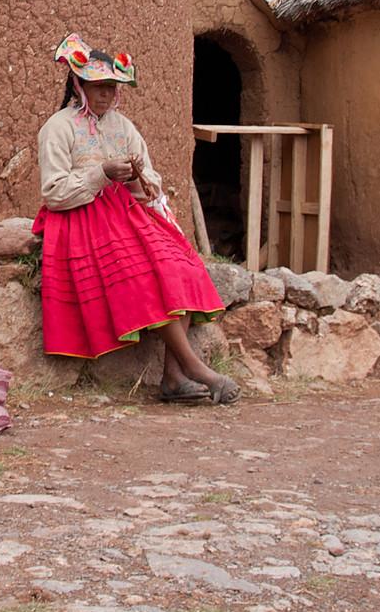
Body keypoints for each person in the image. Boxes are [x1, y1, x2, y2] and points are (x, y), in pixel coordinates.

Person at [35, 32, 236, 405]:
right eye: (97, 87)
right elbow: (54, 193)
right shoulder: (58, 128)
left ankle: (174, 376)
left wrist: (140, 180)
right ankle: (195, 368)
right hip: (82, 219)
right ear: (78, 84)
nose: (106, 95)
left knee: (184, 267)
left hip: (129, 213)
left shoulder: (123, 127)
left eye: (111, 87)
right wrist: (101, 174)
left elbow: (153, 183)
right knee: (143, 274)